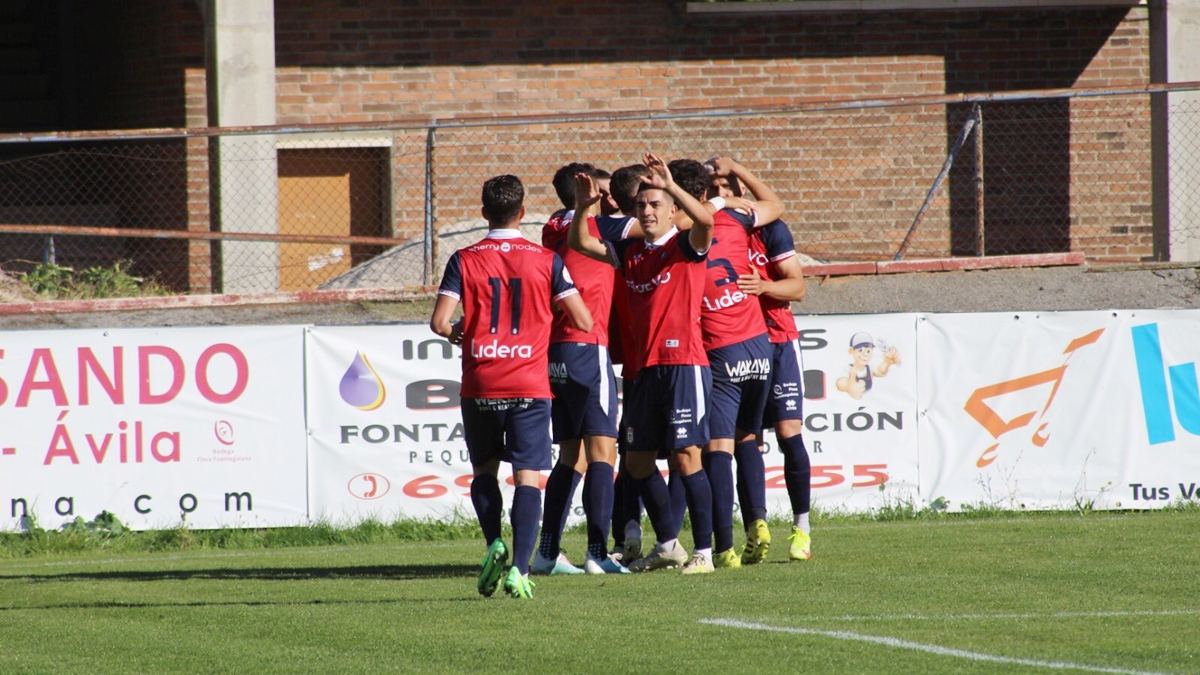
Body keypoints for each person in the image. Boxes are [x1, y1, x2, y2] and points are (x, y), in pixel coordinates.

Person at [429, 174, 593, 598]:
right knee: (527, 478)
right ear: (522, 212)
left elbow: (439, 323)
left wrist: (458, 332)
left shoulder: (463, 258)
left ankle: (493, 543)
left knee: (484, 470)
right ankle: (520, 569)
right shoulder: (546, 260)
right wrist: (540, 320)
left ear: (484, 213)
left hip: (482, 380)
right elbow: (583, 320)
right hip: (529, 381)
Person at [569, 153, 717, 574]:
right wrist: (583, 206)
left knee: (687, 457)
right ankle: (669, 544)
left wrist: (671, 186)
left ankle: (703, 552)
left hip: (683, 364)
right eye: (642, 206)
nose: (647, 211)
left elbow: (705, 221)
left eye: (656, 205)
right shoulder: (629, 251)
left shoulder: (686, 245)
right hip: (641, 371)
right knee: (636, 462)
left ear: (673, 211)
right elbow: (580, 243)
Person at [669, 156, 784, 569]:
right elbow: (775, 204)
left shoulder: (679, 232)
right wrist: (733, 182)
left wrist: (705, 204)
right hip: (758, 344)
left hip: (719, 349)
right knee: (748, 438)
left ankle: (723, 547)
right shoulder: (736, 219)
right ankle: (758, 521)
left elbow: (683, 221)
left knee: (716, 447)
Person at [533, 162, 633, 575]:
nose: (612, 200)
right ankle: (596, 552)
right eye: (604, 192)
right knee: (602, 454)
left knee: (570, 456)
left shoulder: (553, 227)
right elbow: (666, 227)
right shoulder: (598, 227)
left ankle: (547, 552)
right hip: (587, 347)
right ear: (585, 192)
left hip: (556, 351)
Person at [735, 209, 813, 561]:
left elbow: (798, 287)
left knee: (789, 430)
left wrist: (764, 286)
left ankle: (802, 530)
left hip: (778, 340)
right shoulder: (713, 233)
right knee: (744, 435)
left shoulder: (769, 230)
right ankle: (756, 527)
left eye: (728, 185)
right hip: (737, 344)